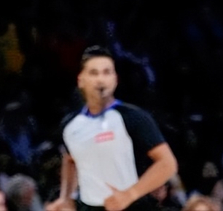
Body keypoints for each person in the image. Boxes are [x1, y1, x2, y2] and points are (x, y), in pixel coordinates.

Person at [44, 45, 178, 211]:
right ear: (81, 80)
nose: (101, 79)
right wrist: (66, 197)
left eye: (107, 72)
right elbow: (70, 158)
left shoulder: (133, 117)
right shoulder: (70, 125)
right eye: (94, 73)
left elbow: (168, 163)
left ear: (115, 79)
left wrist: (130, 194)